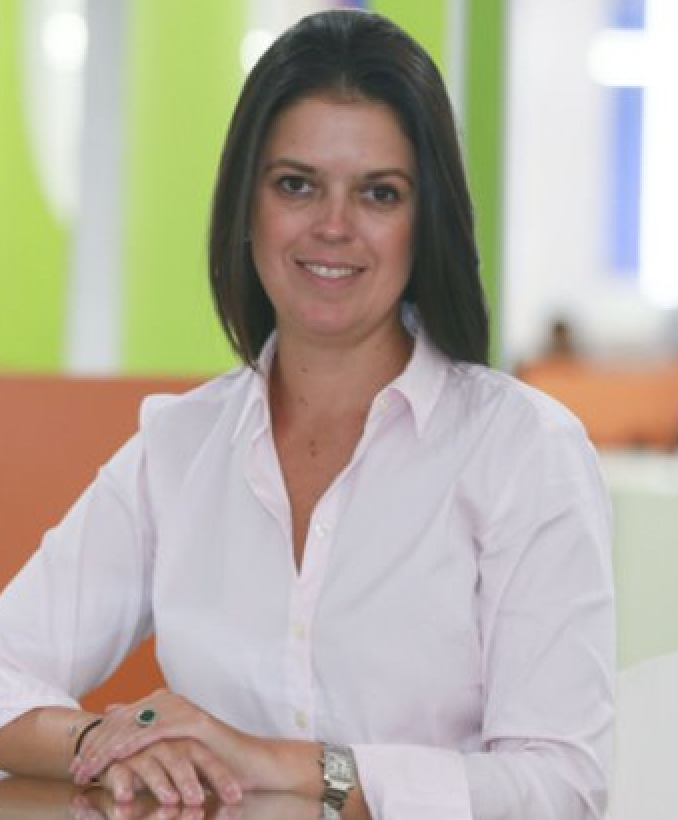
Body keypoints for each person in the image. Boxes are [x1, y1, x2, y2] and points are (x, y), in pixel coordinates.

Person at [0, 9, 615, 820]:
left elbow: (562, 786)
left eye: (379, 194)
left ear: (425, 220)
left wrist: (282, 764)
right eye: (296, 184)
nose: (333, 226)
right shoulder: (178, 448)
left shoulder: (523, 451)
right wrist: (110, 742)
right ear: (246, 206)